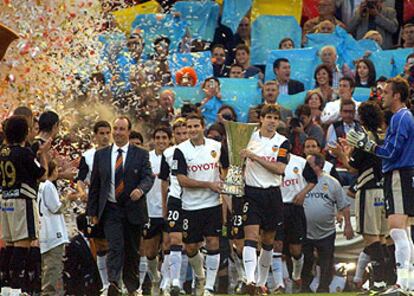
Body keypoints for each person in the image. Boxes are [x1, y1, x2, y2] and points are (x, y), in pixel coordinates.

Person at [346, 77, 414, 294]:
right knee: (403, 230)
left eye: (385, 93)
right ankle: (407, 282)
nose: (382, 96)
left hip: (399, 174)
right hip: (402, 174)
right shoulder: (402, 117)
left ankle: (402, 283)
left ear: (396, 95)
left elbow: (391, 153)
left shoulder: (400, 117)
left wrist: (367, 145)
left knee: (397, 230)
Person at [87, 116, 154, 296]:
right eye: (115, 128)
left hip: (133, 208)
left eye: (121, 129)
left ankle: (132, 287)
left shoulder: (140, 154)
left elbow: (148, 177)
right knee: (115, 246)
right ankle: (114, 284)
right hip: (111, 209)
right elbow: (95, 185)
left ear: (128, 131)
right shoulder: (101, 155)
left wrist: (141, 190)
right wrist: (92, 212)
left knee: (132, 250)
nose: (117, 132)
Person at [330, 101, 388, 293]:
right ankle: (387, 279)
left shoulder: (364, 139)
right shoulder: (382, 138)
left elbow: (353, 168)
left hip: (368, 191)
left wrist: (341, 154)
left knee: (371, 239)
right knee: (381, 238)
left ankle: (379, 281)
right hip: (383, 191)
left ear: (362, 117)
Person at [172, 113, 228, 296]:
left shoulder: (216, 147)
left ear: (203, 126)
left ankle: (209, 288)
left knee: (213, 242)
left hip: (212, 204)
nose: (192, 130)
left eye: (196, 126)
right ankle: (200, 275)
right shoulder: (180, 150)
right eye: (189, 127)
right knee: (190, 247)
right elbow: (181, 180)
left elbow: (227, 168)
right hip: (190, 205)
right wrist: (208, 184)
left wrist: (225, 181)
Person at [239, 104, 290, 295]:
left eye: (275, 118)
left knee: (268, 241)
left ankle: (261, 282)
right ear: (261, 119)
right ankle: (250, 280)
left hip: (272, 194)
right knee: (250, 237)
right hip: (251, 193)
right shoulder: (248, 137)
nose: (272, 121)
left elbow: (279, 168)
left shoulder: (283, 142)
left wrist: (255, 157)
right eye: (268, 117)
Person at [0, 116, 48, 296]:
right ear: (25, 132)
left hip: (5, 200)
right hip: (22, 200)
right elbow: (42, 175)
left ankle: (5, 287)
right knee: (22, 244)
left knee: (10, 245)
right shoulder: (24, 152)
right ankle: (15, 288)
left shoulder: (2, 151)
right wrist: (43, 154)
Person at [302, 153, 354, 293]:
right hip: (304, 230)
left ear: (319, 166)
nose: (305, 167)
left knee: (326, 261)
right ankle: (304, 287)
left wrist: (348, 225)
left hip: (326, 231)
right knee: (306, 259)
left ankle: (323, 288)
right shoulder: (301, 180)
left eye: (309, 164)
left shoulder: (332, 182)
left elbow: (344, 205)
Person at [76, 120, 112, 293]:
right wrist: (82, 192)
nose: (105, 137)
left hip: (114, 204)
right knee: (99, 245)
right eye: (102, 133)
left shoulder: (117, 153)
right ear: (95, 135)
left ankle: (116, 281)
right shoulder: (88, 156)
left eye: (107, 133)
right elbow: (80, 179)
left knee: (116, 242)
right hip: (95, 206)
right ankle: (105, 284)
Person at [277, 152, 317, 293]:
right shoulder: (270, 161)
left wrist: (302, 193)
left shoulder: (299, 162)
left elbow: (313, 180)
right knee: (277, 245)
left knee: (296, 250)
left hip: (295, 208)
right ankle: (279, 285)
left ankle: (296, 275)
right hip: (277, 207)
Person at [159, 118, 188, 296]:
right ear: (173, 136)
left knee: (192, 246)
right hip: (175, 199)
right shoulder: (168, 153)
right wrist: (164, 204)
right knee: (174, 240)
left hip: (196, 202)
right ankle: (173, 282)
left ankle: (199, 280)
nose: (182, 136)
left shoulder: (198, 151)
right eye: (178, 133)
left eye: (184, 133)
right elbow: (164, 181)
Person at [38, 159, 77, 296]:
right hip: (53, 233)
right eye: (56, 170)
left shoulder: (40, 185)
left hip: (44, 230)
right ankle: (49, 293)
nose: (58, 172)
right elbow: (56, 208)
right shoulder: (48, 185)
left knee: (47, 266)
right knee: (53, 267)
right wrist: (67, 198)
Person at [142, 126, 172, 295]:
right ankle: (155, 277)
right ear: (153, 140)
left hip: (169, 210)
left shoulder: (174, 156)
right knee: (150, 253)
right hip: (150, 211)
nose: (161, 141)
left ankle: (166, 284)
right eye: (158, 137)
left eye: (164, 138)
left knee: (168, 247)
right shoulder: (147, 159)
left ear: (169, 139)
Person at [63, 213, 103, 296]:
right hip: (83, 285)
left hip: (95, 283)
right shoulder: (74, 244)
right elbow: (72, 267)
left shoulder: (93, 240)